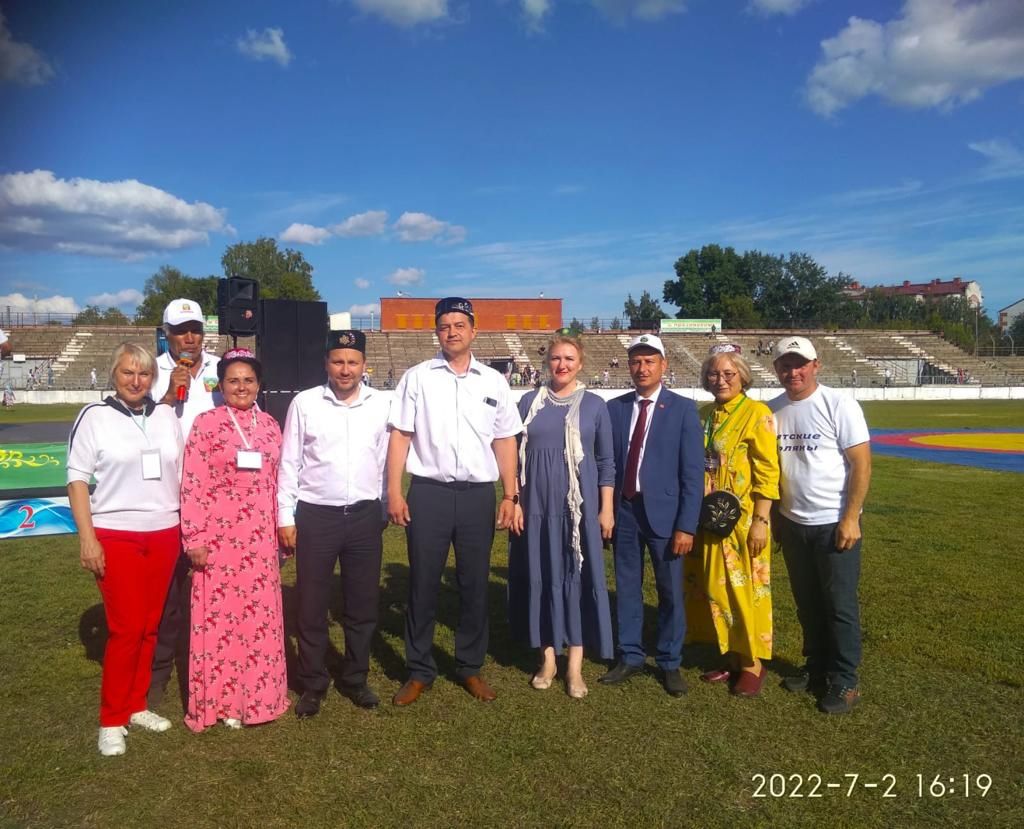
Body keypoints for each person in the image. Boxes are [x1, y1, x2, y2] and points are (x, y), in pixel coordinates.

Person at [386, 297, 523, 705]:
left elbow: (505, 439)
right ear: (437, 332)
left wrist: (510, 494)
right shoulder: (417, 377)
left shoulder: (493, 381)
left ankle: (469, 666)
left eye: (460, 324)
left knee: (474, 584)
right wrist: (394, 490)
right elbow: (401, 436)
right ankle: (419, 668)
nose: (452, 331)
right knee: (424, 583)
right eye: (445, 325)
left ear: (474, 331)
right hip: (429, 493)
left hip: (479, 495)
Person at [66, 344, 184, 756]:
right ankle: (111, 719)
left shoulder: (167, 416)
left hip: (166, 532)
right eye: (128, 373)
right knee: (126, 628)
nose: (136, 381)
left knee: (151, 625)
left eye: (145, 374)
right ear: (113, 373)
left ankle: (137, 705)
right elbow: (77, 480)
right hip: (116, 534)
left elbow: (181, 473)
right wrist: (87, 537)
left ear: (154, 378)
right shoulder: (93, 417)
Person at [278, 331, 391, 717]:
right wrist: (284, 516)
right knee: (311, 605)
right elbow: (289, 462)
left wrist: (384, 506)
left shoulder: (382, 404)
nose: (345, 370)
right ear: (326, 363)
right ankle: (313, 683)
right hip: (316, 515)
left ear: (364, 365)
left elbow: (385, 459)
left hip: (363, 515)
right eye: (338, 362)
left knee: (362, 603)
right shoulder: (305, 403)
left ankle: (355, 678)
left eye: (353, 362)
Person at [180, 348, 289, 730]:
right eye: (233, 380)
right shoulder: (206, 424)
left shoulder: (272, 426)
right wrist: (195, 537)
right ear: (220, 385)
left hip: (260, 540)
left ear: (258, 384)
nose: (241, 387)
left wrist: (282, 529)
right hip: (219, 540)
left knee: (257, 618)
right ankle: (222, 702)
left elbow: (280, 482)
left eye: (248, 380)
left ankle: (258, 699)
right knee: (222, 622)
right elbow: (193, 483)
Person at [508, 333, 615, 698]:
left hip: (578, 510)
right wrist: (515, 500)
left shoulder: (595, 405)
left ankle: (575, 666)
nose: (562, 364)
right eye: (556, 358)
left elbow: (605, 463)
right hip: (536, 507)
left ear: (580, 363)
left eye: (569, 358)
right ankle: (548, 658)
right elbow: (513, 457)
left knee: (576, 578)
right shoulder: (528, 403)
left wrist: (606, 509)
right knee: (543, 576)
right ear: (547, 362)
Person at [770, 336, 871, 715]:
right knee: (807, 603)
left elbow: (861, 464)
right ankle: (815, 667)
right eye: (785, 364)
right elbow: (774, 471)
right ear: (776, 369)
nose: (792, 371)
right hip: (794, 523)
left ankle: (845, 680)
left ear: (816, 365)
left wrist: (851, 518)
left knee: (839, 605)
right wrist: (778, 516)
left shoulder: (838, 404)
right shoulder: (774, 409)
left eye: (800, 364)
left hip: (833, 523)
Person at [601, 334, 704, 696]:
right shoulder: (614, 408)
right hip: (626, 512)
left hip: (666, 515)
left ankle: (669, 661)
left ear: (664, 366)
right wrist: (608, 510)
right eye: (635, 362)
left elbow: (693, 473)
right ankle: (629, 654)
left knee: (670, 592)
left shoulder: (682, 409)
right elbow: (609, 464)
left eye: (649, 361)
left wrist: (686, 525)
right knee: (627, 587)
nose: (641, 368)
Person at [684, 345, 779, 697]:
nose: (720, 379)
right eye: (713, 373)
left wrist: (761, 520)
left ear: (743, 377)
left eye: (728, 374)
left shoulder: (757, 414)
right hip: (709, 519)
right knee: (713, 588)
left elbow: (768, 471)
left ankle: (753, 663)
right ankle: (731, 656)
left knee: (745, 592)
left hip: (742, 522)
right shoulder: (705, 413)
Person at [148, 298, 222, 710]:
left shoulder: (221, 369)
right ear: (166, 333)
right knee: (167, 595)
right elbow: (136, 424)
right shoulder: (151, 369)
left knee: (211, 590)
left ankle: (211, 666)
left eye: (194, 328)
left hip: (215, 499)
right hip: (164, 494)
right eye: (180, 330)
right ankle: (159, 675)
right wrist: (168, 391)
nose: (189, 337)